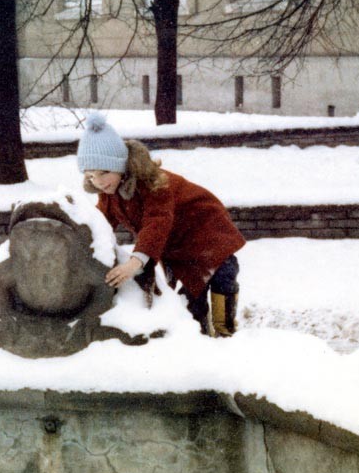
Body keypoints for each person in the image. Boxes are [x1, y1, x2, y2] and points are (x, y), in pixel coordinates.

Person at [77, 111, 245, 337]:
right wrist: (78, 240)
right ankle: (199, 338)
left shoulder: (156, 184)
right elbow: (100, 223)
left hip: (207, 234)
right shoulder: (110, 191)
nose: (98, 182)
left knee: (222, 280)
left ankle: (226, 335)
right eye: (91, 176)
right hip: (176, 248)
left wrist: (135, 261)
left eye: (104, 172)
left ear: (121, 165)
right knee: (189, 301)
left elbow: (156, 223)